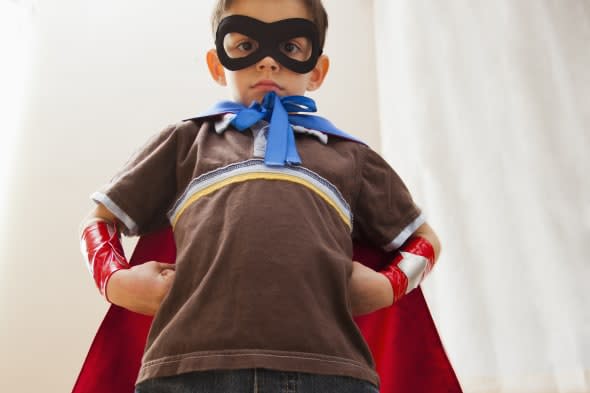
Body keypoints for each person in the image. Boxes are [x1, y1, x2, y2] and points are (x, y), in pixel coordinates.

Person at [79, 0, 444, 392]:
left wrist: (388, 284)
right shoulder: (184, 143)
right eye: (245, 45)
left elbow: (424, 240)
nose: (268, 63)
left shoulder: (353, 158)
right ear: (217, 63)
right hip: (188, 371)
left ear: (317, 70)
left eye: (289, 47)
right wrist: (115, 280)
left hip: (330, 373)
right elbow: (99, 221)